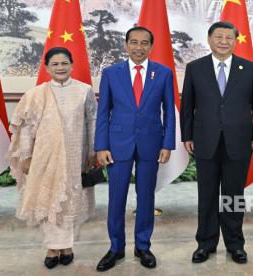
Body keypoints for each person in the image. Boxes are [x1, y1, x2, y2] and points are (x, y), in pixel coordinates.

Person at [180, 21, 253, 264]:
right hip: (205, 140)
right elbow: (187, 105)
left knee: (233, 196)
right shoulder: (195, 68)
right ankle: (205, 244)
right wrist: (187, 135)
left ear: (235, 41)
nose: (224, 41)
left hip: (239, 141)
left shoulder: (249, 69)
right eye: (219, 36)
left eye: (229, 37)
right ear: (209, 39)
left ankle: (235, 244)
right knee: (206, 195)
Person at [6, 47, 97, 269]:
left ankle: (67, 246)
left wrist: (93, 152)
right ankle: (51, 248)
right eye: (55, 64)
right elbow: (26, 128)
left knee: (70, 201)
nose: (60, 68)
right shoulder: (35, 94)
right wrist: (26, 156)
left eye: (64, 63)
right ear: (47, 68)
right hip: (44, 158)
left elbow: (92, 121)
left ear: (71, 65)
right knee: (48, 201)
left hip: (76, 156)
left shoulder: (84, 91)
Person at [94, 26, 175, 271]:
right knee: (116, 197)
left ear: (151, 46)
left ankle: (143, 246)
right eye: (134, 42)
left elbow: (169, 111)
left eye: (144, 43)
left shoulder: (163, 73)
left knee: (146, 196)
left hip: (151, 144)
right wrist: (101, 146)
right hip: (117, 145)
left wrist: (167, 143)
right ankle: (115, 248)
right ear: (126, 44)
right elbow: (103, 113)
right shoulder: (111, 73)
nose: (139, 47)